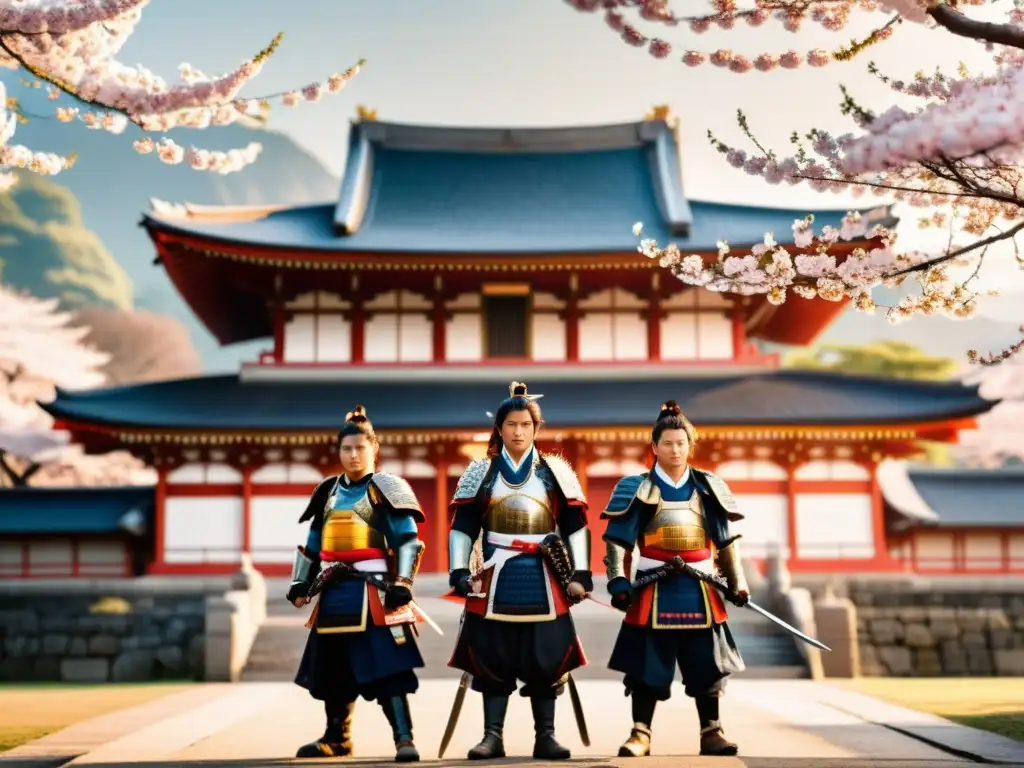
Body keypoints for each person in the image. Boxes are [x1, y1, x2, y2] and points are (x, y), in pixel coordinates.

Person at [447, 381, 591, 761]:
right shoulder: (481, 473)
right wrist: (459, 570)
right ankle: (492, 736)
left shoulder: (555, 472)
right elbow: (463, 526)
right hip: (494, 575)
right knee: (492, 656)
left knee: (548, 655)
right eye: (510, 424)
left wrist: (582, 573)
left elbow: (576, 524)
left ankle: (546, 735)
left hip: (544, 575)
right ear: (499, 428)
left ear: (536, 428)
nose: (518, 431)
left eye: (525, 424)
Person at [602, 401, 749, 758]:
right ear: (654, 447)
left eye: (681, 443)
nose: (675, 450)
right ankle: (640, 733)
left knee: (706, 663)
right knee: (646, 665)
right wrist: (617, 581)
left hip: (700, 588)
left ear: (690, 445)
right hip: (652, 586)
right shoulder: (636, 487)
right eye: (667, 443)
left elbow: (726, 540)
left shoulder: (708, 487)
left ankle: (711, 732)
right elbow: (616, 541)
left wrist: (738, 582)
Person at [287, 405, 426, 762]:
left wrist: (403, 583)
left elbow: (408, 540)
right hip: (333, 592)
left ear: (374, 449)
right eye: (346, 448)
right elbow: (314, 543)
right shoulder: (328, 493)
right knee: (333, 669)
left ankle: (404, 738)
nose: (353, 455)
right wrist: (301, 583)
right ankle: (337, 738)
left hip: (374, 591)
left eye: (360, 448)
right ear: (339, 452)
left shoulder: (387, 489)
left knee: (388, 667)